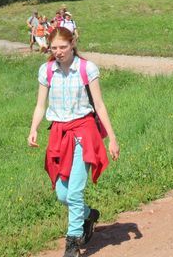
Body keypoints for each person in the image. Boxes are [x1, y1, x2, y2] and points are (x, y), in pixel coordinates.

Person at [28, 27, 119, 256]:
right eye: (54, 47)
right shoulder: (47, 70)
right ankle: (89, 215)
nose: (58, 52)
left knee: (75, 193)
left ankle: (72, 244)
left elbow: (99, 105)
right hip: (59, 133)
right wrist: (34, 129)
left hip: (84, 131)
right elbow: (40, 105)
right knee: (62, 194)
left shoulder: (87, 68)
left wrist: (113, 139)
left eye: (63, 47)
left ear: (73, 44)